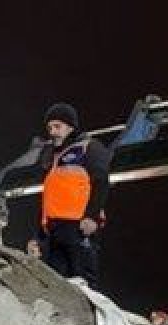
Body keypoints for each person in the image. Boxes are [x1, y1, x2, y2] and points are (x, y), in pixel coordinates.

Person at [33, 103, 111, 287]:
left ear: (71, 127)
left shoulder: (88, 147)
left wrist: (91, 216)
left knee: (84, 285)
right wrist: (39, 235)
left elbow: (101, 182)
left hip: (78, 227)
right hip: (54, 230)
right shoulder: (53, 157)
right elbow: (48, 199)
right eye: (50, 127)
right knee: (57, 285)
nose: (52, 131)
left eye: (57, 126)